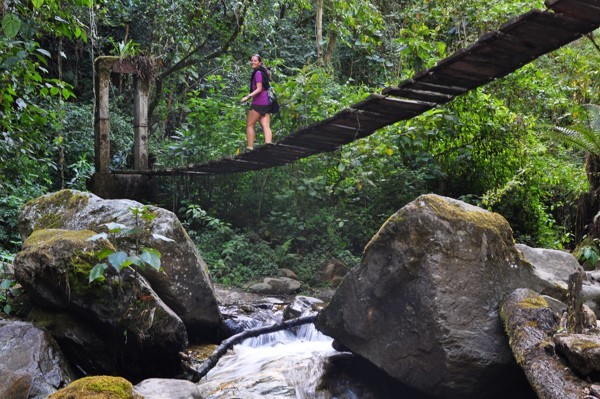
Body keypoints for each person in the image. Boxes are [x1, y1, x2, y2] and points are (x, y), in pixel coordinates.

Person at [240, 54, 272, 151]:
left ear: (260, 62)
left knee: (250, 125)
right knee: (266, 126)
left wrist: (248, 97)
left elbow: (259, 89)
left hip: (259, 102)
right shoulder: (263, 72)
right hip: (266, 102)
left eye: (255, 61)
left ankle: (249, 148)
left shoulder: (258, 73)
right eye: (252, 60)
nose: (253, 62)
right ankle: (268, 145)